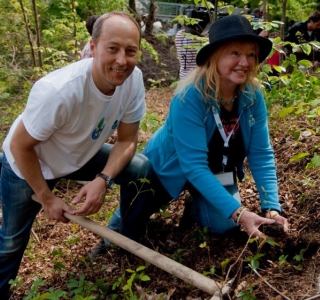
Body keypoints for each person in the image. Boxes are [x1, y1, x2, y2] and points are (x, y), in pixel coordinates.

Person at [97, 14, 289, 251]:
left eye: (251, 54)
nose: (245, 62)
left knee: (222, 224)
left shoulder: (252, 98)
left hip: (217, 170)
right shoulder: (190, 97)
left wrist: (272, 207)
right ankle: (108, 238)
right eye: (235, 53)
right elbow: (194, 166)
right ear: (214, 56)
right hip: (166, 168)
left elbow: (261, 154)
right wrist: (240, 213)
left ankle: (196, 203)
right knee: (133, 215)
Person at [0, 11, 154, 299]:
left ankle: (125, 242)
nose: (122, 60)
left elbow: (127, 139)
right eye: (112, 49)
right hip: (29, 162)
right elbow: (21, 146)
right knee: (11, 242)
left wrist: (103, 179)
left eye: (130, 51)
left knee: (140, 168)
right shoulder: (59, 90)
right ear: (93, 49)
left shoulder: (133, 81)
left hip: (79, 154)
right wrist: (46, 198)